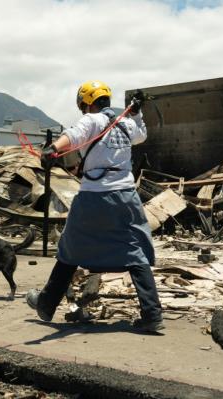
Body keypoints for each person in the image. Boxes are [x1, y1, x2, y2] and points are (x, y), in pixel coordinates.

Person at [26, 81, 163, 333]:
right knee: (135, 250)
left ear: (88, 103)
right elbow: (141, 134)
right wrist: (137, 113)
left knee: (70, 248)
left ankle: (46, 304)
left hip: (93, 196)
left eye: (83, 106)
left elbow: (75, 134)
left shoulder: (93, 120)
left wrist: (52, 148)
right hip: (125, 196)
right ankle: (152, 313)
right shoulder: (127, 124)